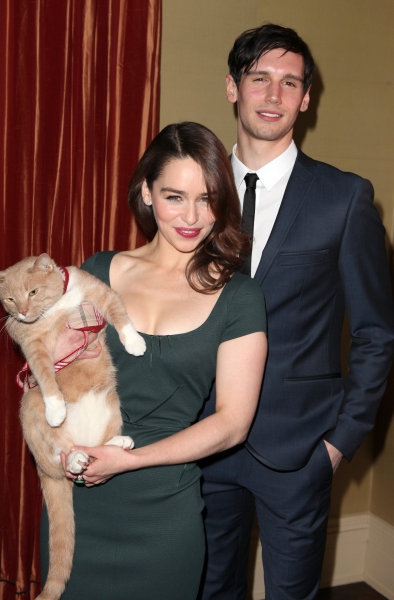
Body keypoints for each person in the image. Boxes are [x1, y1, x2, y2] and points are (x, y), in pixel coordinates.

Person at [198, 23, 394, 600]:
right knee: (208, 589)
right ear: (233, 87)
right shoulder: (195, 191)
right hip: (202, 440)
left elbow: (377, 333)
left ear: (306, 99)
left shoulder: (346, 197)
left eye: (290, 83)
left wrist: (339, 443)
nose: (273, 95)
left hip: (301, 449)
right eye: (259, 79)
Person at [41, 121, 267, 600]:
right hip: (77, 511)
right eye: (174, 196)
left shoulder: (240, 297)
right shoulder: (98, 270)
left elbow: (232, 423)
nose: (192, 215)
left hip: (165, 516)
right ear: (146, 193)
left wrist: (128, 460)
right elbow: (51, 377)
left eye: (206, 198)